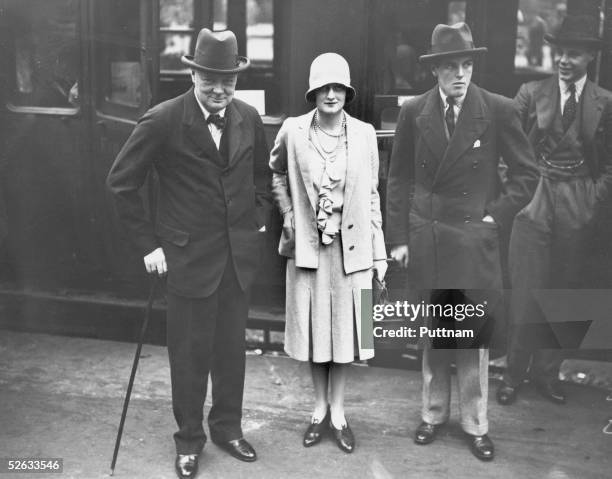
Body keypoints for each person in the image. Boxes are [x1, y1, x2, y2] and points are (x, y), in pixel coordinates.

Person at [106, 29, 271, 479]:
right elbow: (121, 183)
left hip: (237, 260)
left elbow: (260, 176)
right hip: (187, 261)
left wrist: (255, 218)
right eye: (209, 80)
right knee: (190, 356)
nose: (219, 90)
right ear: (193, 73)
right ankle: (189, 441)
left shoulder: (248, 117)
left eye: (228, 81)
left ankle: (228, 429)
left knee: (231, 352)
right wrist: (149, 246)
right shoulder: (162, 119)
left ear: (237, 79)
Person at [386, 23, 538, 461]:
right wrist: (399, 236)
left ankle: (476, 424)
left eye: (466, 65)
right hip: (428, 234)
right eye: (450, 66)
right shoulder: (415, 111)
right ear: (434, 70)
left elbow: (527, 174)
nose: (460, 74)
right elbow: (398, 180)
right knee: (435, 330)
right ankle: (432, 415)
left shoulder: (497, 109)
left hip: (473, 236)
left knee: (472, 333)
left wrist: (496, 216)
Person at [269, 53, 387, 454]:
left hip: (353, 253)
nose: (331, 94)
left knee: (348, 335)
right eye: (324, 87)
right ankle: (318, 410)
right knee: (316, 332)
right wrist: (288, 213)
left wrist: (380, 255)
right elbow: (276, 172)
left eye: (338, 87)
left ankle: (339, 413)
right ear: (313, 92)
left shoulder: (366, 134)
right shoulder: (294, 130)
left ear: (347, 93)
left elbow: (372, 196)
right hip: (309, 251)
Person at [497, 15, 612, 407]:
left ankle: (548, 374)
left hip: (580, 200)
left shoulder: (605, 102)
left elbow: (611, 163)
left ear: (590, 58)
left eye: (573, 54)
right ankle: (513, 373)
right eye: (559, 52)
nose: (564, 60)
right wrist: (518, 193)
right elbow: (505, 147)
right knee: (525, 291)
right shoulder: (530, 92)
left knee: (566, 292)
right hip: (535, 197)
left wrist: (594, 196)